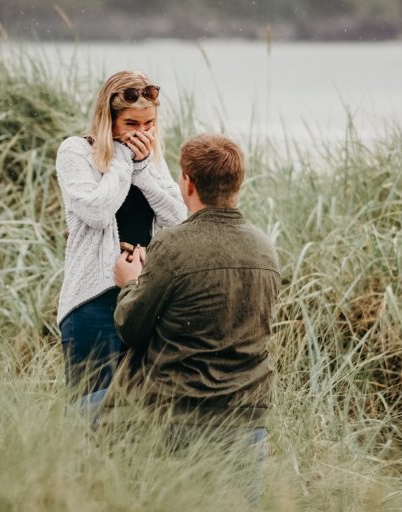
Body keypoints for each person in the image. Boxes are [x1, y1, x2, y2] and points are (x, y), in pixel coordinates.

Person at [110, 133, 281, 500]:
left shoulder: (172, 246)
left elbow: (130, 327)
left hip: (177, 415)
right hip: (246, 415)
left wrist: (130, 283)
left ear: (186, 183)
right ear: (238, 183)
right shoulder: (266, 249)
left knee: (82, 412)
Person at [55, 70, 187, 410]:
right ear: (107, 119)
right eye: (131, 124)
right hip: (92, 300)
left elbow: (178, 219)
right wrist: (124, 160)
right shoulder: (75, 153)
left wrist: (143, 167)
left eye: (149, 124)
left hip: (143, 300)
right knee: (90, 411)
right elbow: (97, 212)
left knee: (139, 413)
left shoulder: (150, 159)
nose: (141, 134)